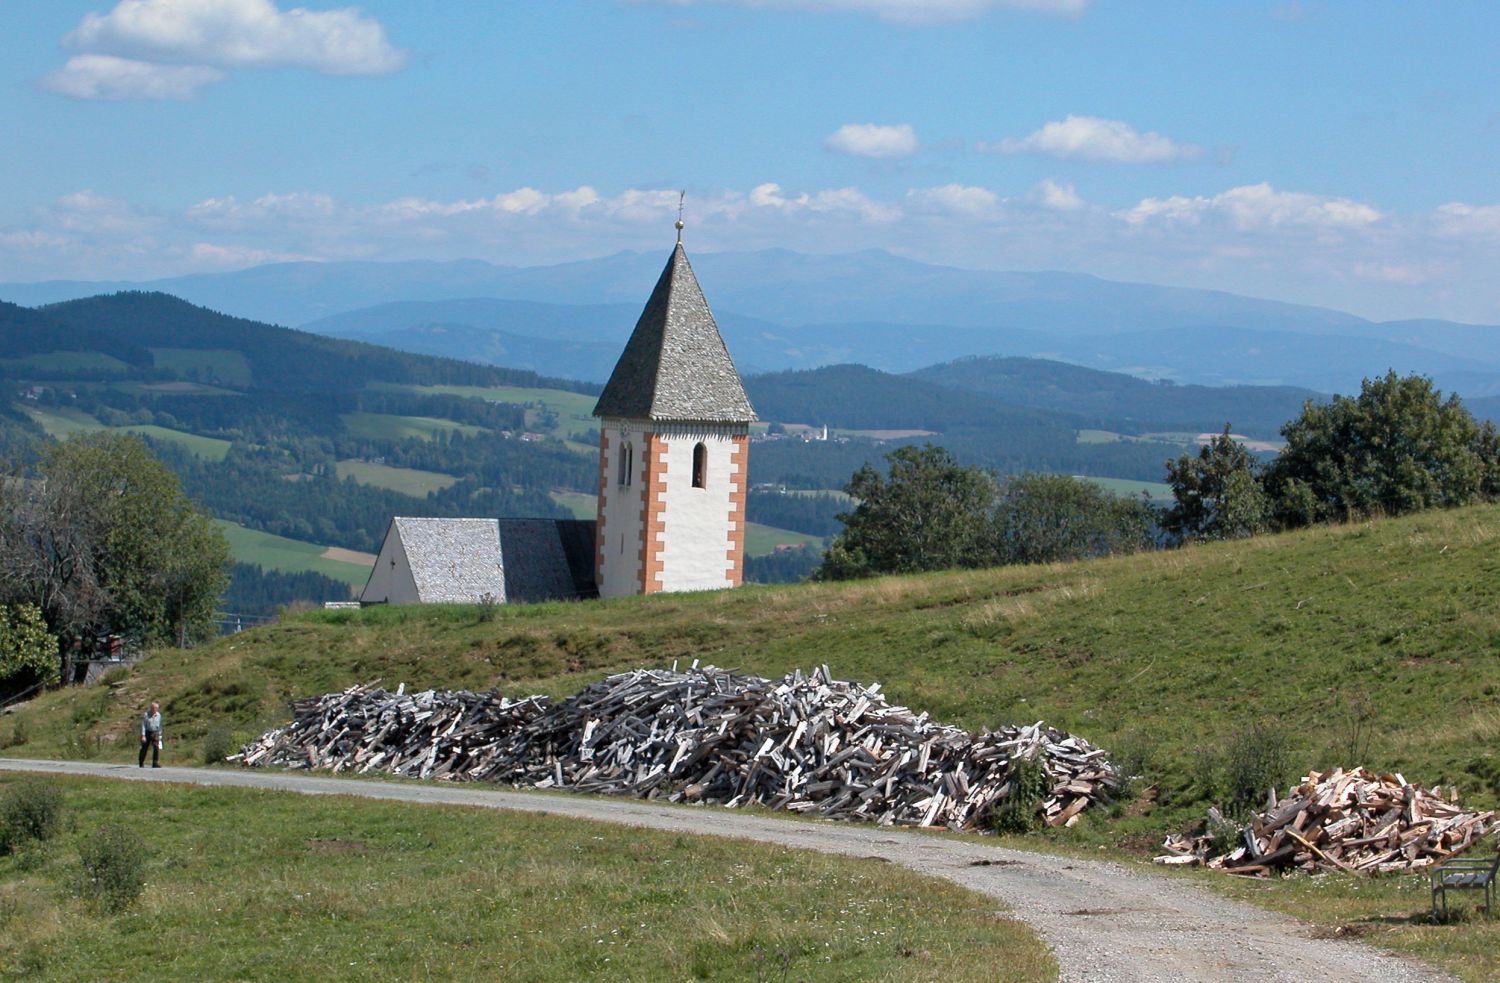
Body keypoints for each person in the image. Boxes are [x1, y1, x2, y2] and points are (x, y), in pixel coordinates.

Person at [139, 702, 163, 768]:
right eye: (152, 708)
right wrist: (143, 735)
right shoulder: (146, 714)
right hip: (147, 732)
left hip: (155, 732)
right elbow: (143, 725)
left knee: (156, 747)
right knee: (144, 748)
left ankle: (155, 763)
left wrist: (160, 734)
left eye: (155, 708)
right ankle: (141, 762)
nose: (154, 709)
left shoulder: (159, 715)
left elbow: (160, 725)